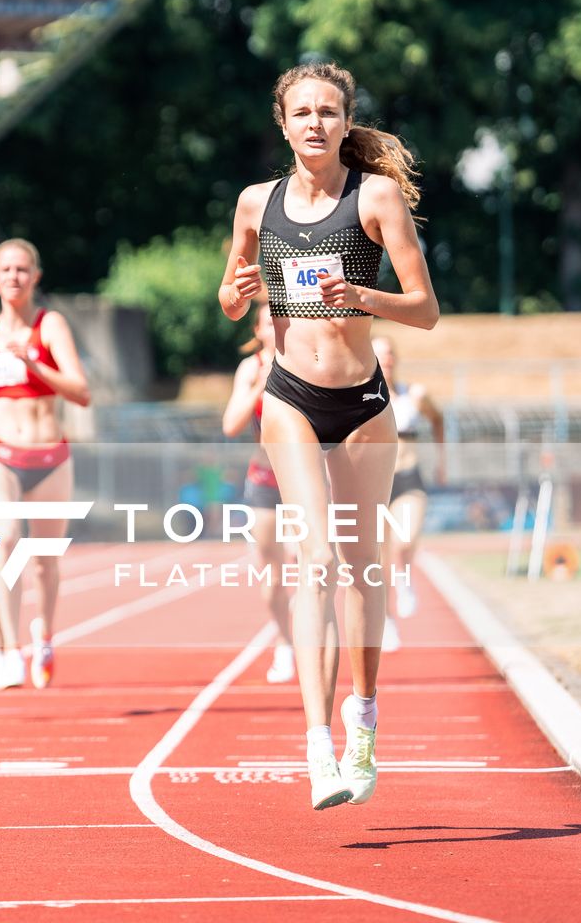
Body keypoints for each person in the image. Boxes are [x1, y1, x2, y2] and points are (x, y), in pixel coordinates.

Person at [217, 60, 439, 812]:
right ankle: (317, 745)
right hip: (290, 397)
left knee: (359, 567)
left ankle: (363, 715)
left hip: (364, 404)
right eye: (302, 112)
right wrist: (234, 291)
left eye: (329, 111)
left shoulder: (373, 199)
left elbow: (425, 309)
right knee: (313, 558)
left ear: (347, 122)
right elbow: (227, 293)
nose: (315, 122)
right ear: (282, 123)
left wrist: (361, 293)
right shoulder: (256, 203)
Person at [0, 240, 92, 691]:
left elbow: (80, 391)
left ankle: (42, 633)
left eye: (22, 269)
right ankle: (6, 647)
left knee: (44, 562)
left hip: (48, 458)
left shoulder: (50, 325)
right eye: (5, 269)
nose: (13, 277)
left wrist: (32, 363)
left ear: (36, 276)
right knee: (4, 543)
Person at [220, 303, 295, 684]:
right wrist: (259, 385)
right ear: (258, 329)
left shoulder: (305, 361)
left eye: (282, 316)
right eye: (268, 321)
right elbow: (231, 424)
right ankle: (285, 642)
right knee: (273, 575)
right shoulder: (250, 369)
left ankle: (317, 638)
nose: (276, 324)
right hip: (265, 480)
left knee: (315, 564)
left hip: (305, 478)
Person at [374, 336, 444, 649]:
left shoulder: (414, 395)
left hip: (408, 476)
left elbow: (438, 419)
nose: (385, 360)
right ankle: (387, 622)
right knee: (379, 559)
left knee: (405, 541)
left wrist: (443, 460)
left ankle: (406, 580)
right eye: (379, 355)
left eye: (389, 354)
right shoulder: (360, 397)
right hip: (375, 482)